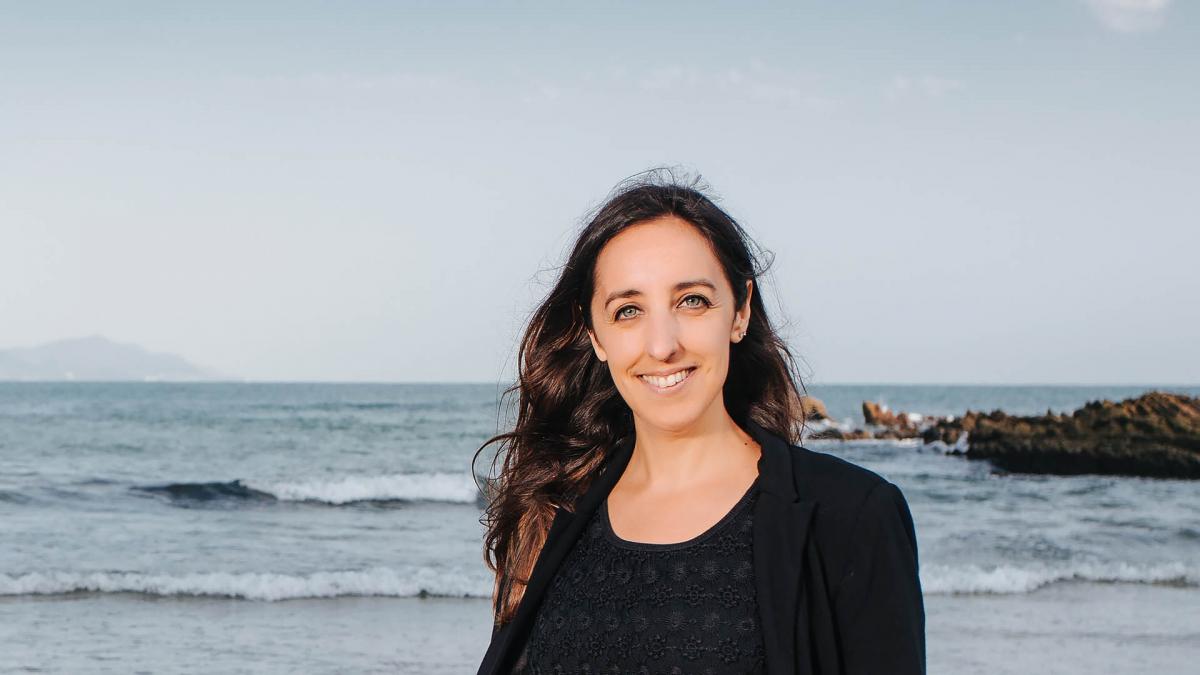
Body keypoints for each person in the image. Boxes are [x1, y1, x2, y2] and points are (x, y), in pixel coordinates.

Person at [474, 170, 925, 674]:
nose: (662, 345)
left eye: (692, 301)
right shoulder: (546, 518)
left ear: (740, 311)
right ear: (596, 336)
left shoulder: (851, 516)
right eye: (628, 311)